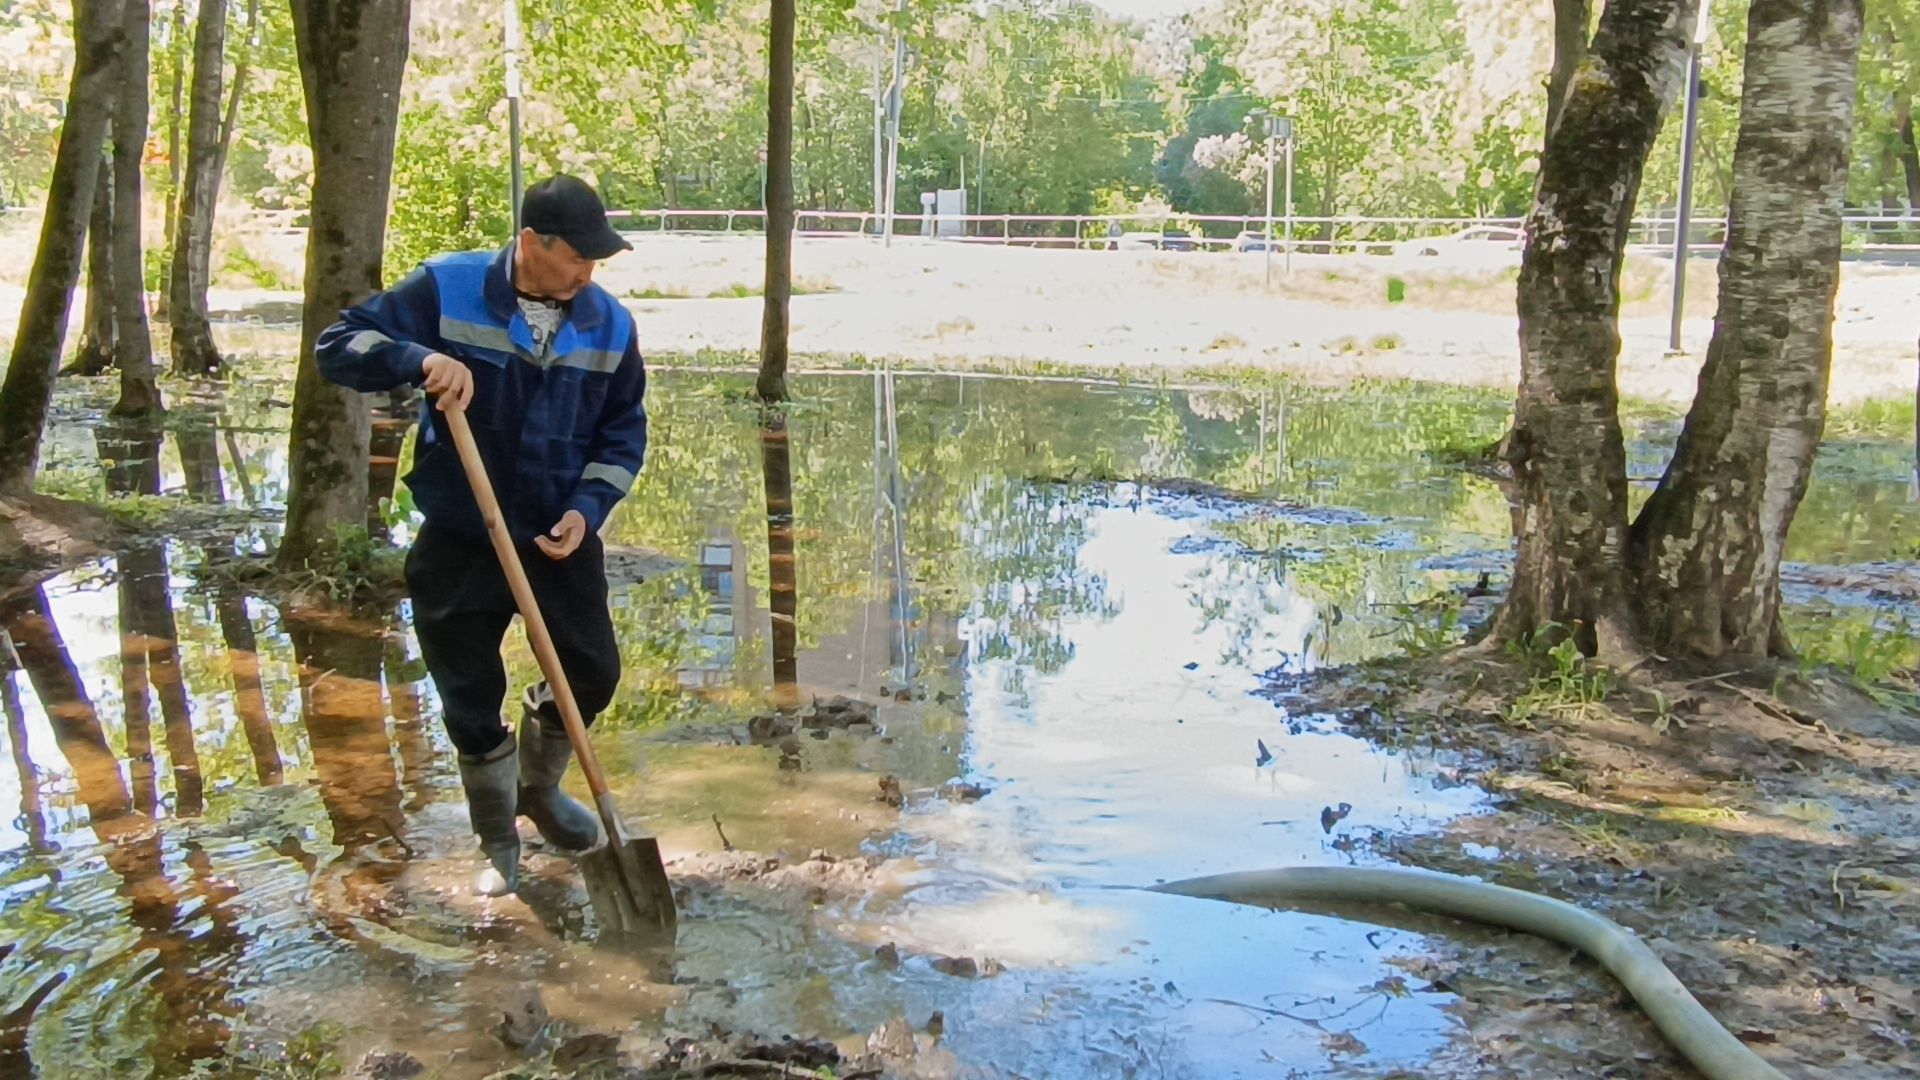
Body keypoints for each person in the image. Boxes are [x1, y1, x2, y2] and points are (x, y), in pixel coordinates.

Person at [315, 174, 647, 896]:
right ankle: (497, 839)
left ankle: (540, 790)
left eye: (597, 260)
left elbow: (624, 433)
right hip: (463, 532)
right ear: (532, 243)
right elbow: (339, 344)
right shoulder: (447, 288)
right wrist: (418, 359)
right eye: (578, 258)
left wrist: (587, 509)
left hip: (557, 534)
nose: (589, 273)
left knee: (591, 671)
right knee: (467, 691)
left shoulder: (610, 324)